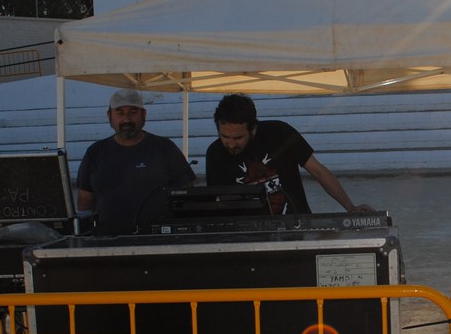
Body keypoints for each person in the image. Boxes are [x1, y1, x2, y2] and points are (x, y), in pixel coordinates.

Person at [205, 94, 373, 215]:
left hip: (298, 226)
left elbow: (318, 171)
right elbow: (217, 203)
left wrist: (350, 207)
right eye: (224, 136)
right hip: (250, 237)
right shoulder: (215, 153)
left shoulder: (280, 133)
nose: (231, 144)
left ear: (253, 129)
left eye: (238, 138)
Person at [77, 89, 196, 235]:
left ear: (144, 115)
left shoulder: (165, 148)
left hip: (158, 240)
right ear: (109, 116)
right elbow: (85, 201)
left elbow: (187, 195)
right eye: (120, 113)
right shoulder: (94, 152)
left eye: (133, 112)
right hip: (108, 241)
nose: (126, 120)